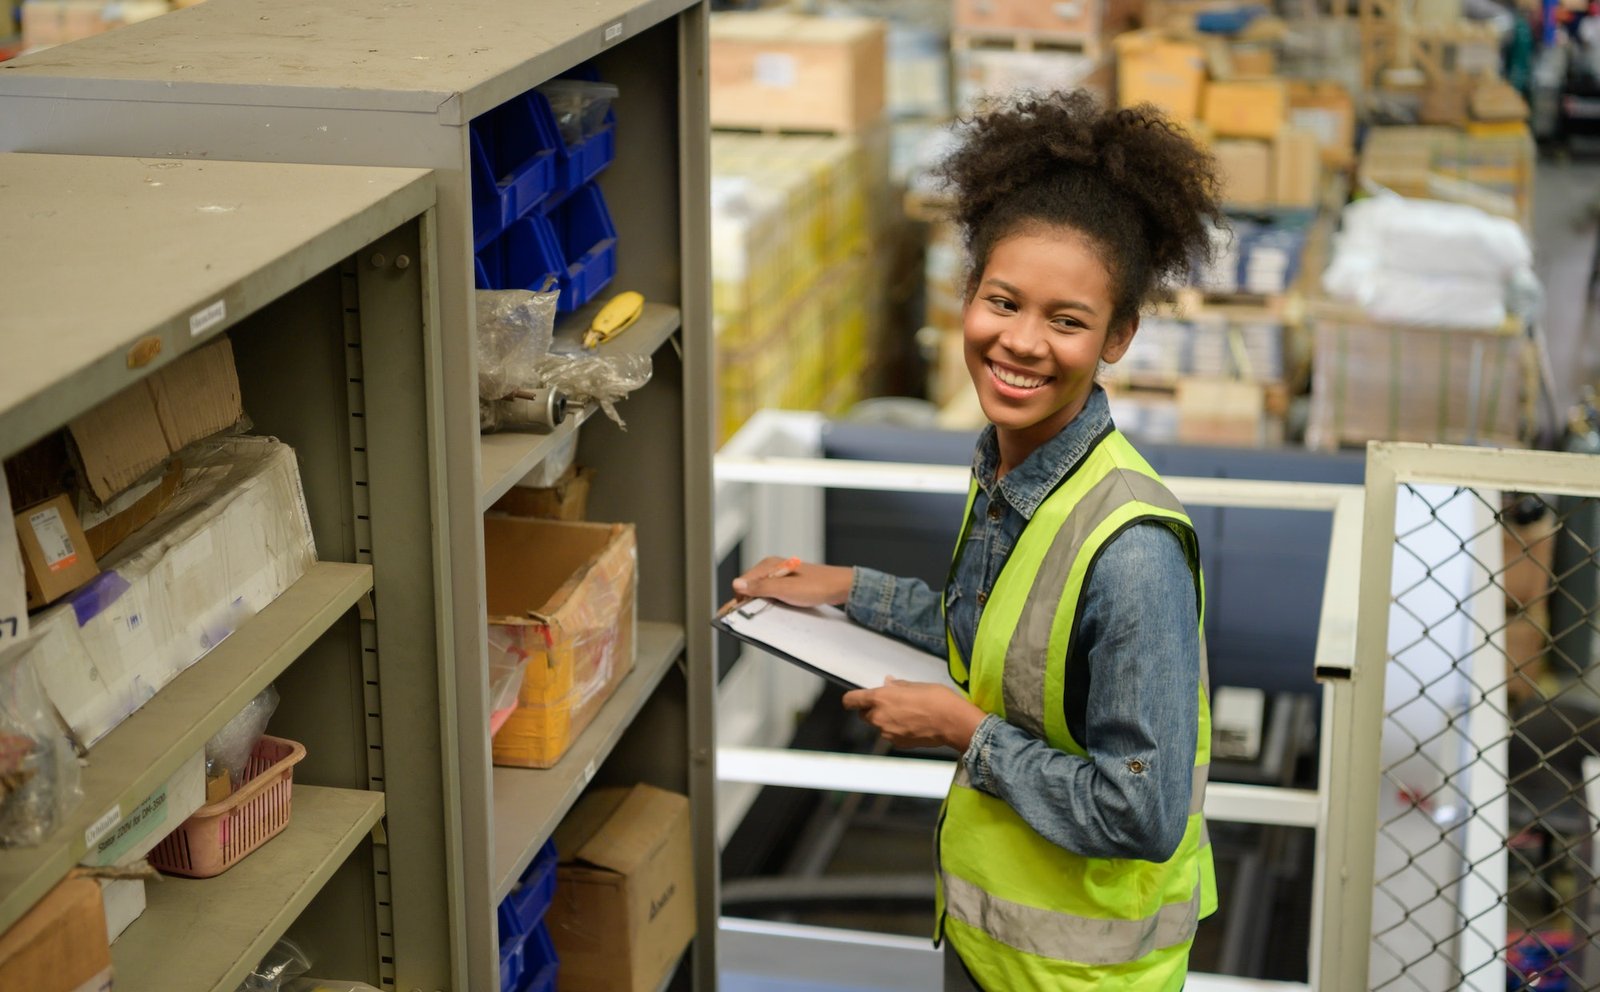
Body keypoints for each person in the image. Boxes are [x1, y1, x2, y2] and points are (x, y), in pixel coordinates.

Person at [731, 89, 1223, 991]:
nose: (1023, 343)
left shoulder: (1134, 550)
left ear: (1118, 336)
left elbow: (1143, 811)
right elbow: (992, 633)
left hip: (1082, 978)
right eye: (1004, 302)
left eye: (1067, 320)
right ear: (968, 297)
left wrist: (964, 732)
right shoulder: (1011, 471)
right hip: (990, 940)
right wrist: (840, 585)